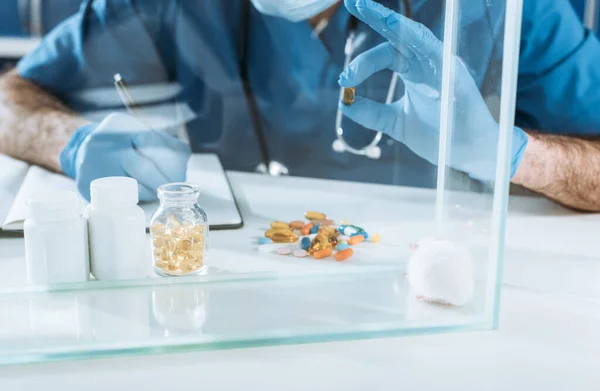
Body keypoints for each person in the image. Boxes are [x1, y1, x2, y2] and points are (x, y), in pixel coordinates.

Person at [0, 0, 599, 210]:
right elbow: (9, 97)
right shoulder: (170, 4)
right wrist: (70, 142)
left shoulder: (507, 7)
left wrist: (510, 154)